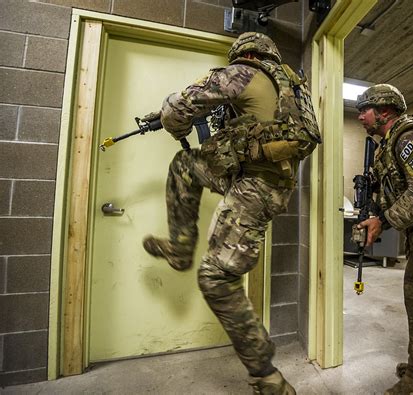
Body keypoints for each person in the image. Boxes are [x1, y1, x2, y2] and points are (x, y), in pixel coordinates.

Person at [142, 32, 321, 394]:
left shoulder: (243, 73)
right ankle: (180, 246)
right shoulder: (291, 86)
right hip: (268, 184)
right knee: (186, 165)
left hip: (254, 188)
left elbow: (179, 108)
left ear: (244, 55)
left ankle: (267, 377)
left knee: (216, 278)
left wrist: (171, 121)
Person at [355, 84, 413, 395]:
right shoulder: (387, 144)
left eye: (365, 110)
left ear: (384, 111)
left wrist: (383, 221)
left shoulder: (408, 137)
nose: (360, 116)